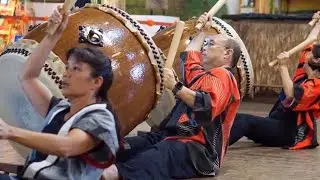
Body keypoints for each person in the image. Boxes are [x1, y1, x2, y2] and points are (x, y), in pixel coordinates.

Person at [102, 12, 241, 179]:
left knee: (150, 159)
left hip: (197, 148)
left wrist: (175, 86)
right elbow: (190, 57)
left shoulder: (224, 76)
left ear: (227, 53)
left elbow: (207, 105)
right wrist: (203, 31)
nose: (204, 47)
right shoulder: (203, 76)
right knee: (124, 146)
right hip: (170, 136)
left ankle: (107, 174)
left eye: (210, 44)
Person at [0, 7, 122, 180]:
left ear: (96, 82)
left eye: (76, 69)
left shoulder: (102, 119)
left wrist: (10, 131)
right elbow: (27, 76)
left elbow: (67, 146)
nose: (66, 73)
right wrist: (53, 35)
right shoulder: (60, 109)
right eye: (67, 67)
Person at [229, 12, 320, 150]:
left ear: (316, 60)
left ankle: (211, 149)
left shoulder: (317, 87)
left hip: (288, 133)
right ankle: (206, 137)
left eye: (310, 52)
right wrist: (318, 23)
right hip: (276, 123)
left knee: (245, 122)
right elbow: (311, 39)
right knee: (235, 118)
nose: (306, 52)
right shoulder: (305, 71)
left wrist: (283, 66)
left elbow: (291, 95)